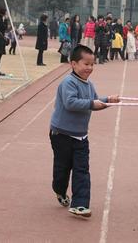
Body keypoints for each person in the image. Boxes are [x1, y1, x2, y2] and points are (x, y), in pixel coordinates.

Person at [49, 45, 119, 218]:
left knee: (82, 169)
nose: (89, 68)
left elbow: (93, 102)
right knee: (62, 169)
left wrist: (107, 100)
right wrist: (92, 104)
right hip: (61, 135)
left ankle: (80, 204)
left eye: (92, 64)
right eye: (85, 64)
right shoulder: (68, 83)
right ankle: (59, 190)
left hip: (80, 136)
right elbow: (71, 103)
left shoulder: (89, 85)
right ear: (73, 64)